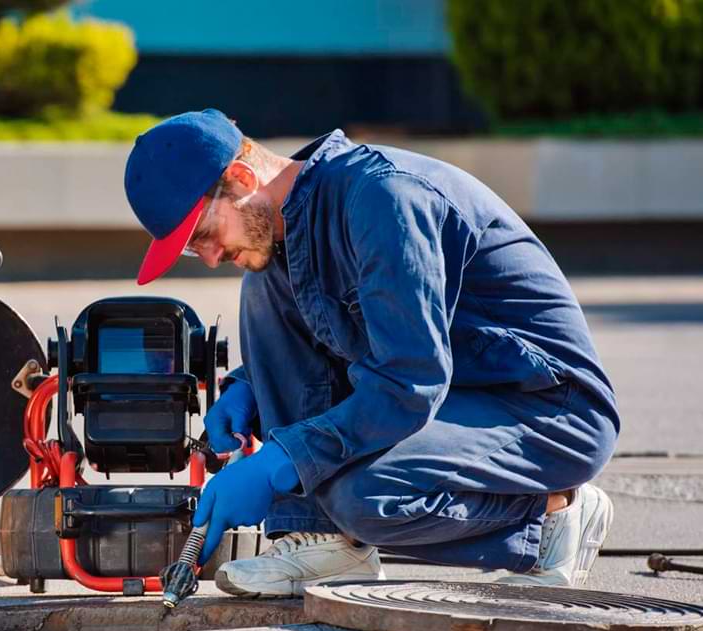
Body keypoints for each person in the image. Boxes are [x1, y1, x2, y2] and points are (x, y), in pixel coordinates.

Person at [124, 109, 619, 597]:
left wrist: (284, 460)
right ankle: (324, 542)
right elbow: (341, 337)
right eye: (192, 249)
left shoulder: (383, 199)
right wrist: (250, 387)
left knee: (366, 497)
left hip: (548, 408)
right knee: (262, 279)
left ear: (240, 176)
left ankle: (555, 513)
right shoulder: (289, 225)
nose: (209, 258)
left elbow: (410, 382)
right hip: (453, 393)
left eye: (202, 236)